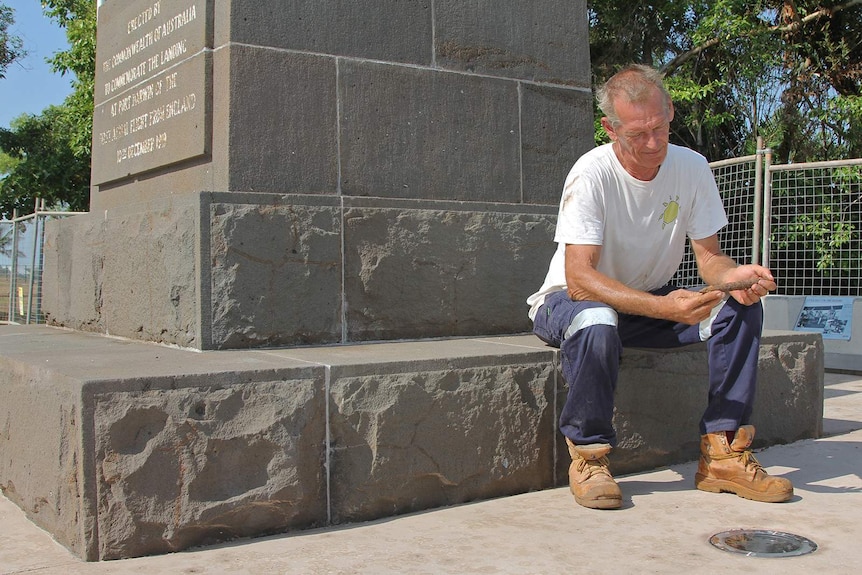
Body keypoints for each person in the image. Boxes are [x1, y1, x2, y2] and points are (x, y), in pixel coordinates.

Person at [526, 64, 793, 510]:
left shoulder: (692, 167)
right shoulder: (592, 173)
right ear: (610, 129)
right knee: (597, 317)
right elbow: (579, 279)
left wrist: (733, 278)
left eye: (660, 128)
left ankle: (724, 454)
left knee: (740, 308)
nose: (653, 144)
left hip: (645, 305)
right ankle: (589, 457)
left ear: (669, 111)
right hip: (568, 304)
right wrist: (663, 308)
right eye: (637, 134)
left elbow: (708, 257)